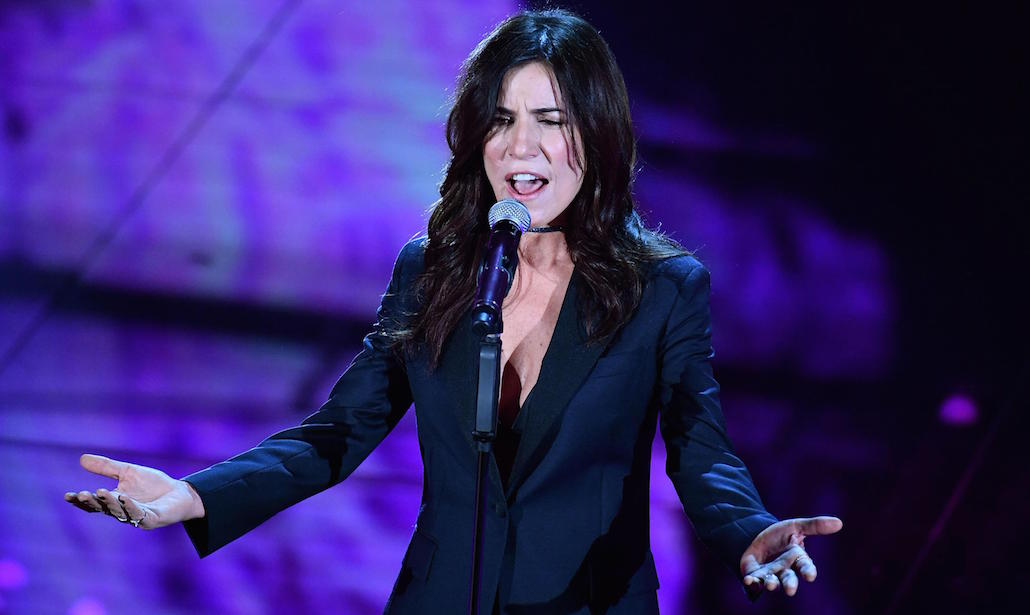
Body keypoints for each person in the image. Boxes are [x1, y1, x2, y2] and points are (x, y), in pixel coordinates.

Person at [65, 9, 841, 613]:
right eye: (501, 119)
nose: (519, 146)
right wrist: (196, 495)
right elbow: (336, 435)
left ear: (597, 135)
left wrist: (749, 529)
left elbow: (701, 451)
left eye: (550, 120)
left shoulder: (662, 286)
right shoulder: (434, 269)